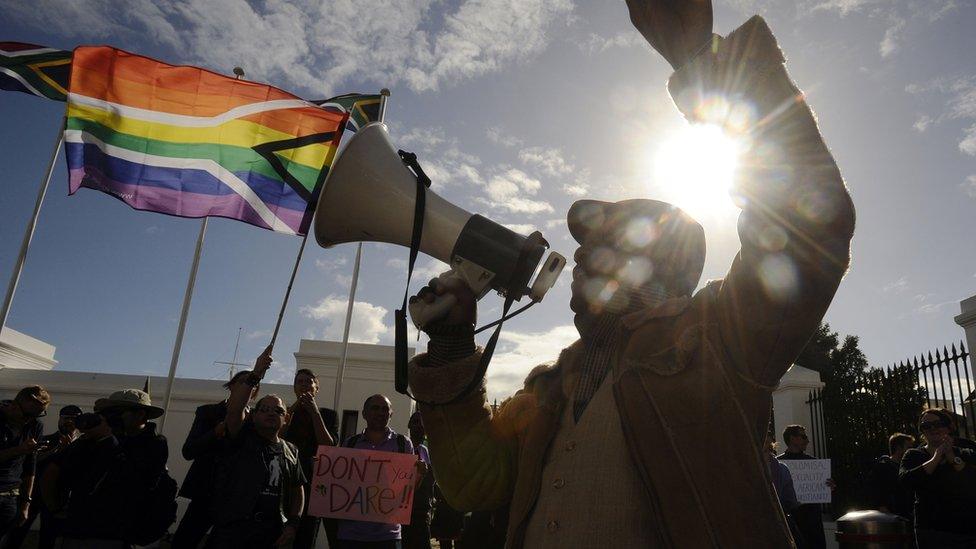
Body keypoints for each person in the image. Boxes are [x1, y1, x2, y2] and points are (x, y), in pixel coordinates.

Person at [404, 1, 856, 546]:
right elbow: (475, 485)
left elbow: (814, 225)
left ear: (662, 265)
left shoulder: (718, 342)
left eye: (607, 247)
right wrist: (453, 345)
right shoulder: (549, 387)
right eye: (586, 248)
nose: (582, 260)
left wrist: (706, 72)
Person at [208, 347, 306, 549]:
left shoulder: (291, 450)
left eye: (278, 410)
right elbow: (234, 410)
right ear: (253, 415)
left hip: (272, 534)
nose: (271, 413)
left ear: (286, 419)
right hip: (234, 533)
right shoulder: (241, 437)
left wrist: (293, 523)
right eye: (264, 409)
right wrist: (256, 374)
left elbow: (298, 490)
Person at [173, 371, 259, 549]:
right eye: (242, 382)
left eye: (251, 384)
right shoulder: (208, 412)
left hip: (236, 498)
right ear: (231, 385)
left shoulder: (256, 420)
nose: (247, 387)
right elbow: (188, 451)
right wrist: (214, 434)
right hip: (206, 493)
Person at [337, 394, 422, 549]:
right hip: (350, 535)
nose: (380, 412)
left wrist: (419, 475)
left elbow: (408, 490)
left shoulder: (403, 444)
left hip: (388, 535)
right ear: (364, 413)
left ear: (391, 414)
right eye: (375, 408)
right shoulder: (350, 444)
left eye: (385, 409)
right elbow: (338, 485)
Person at [41, 411, 128, 548]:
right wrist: (54, 507)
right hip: (80, 523)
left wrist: (54, 507)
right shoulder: (83, 444)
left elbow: (51, 472)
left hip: (96, 525)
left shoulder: (110, 446)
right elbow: (50, 472)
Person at [2, 404, 81, 549]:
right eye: (65, 418)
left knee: (48, 538)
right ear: (59, 419)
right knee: (16, 535)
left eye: (74, 419)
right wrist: (57, 451)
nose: (69, 422)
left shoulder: (82, 446)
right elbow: (29, 463)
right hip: (34, 495)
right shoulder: (46, 440)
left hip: (57, 499)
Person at [899, 408, 976, 548]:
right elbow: (907, 480)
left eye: (938, 424)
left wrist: (952, 457)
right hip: (931, 529)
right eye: (926, 426)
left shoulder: (965, 452)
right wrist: (937, 456)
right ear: (922, 431)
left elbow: (970, 482)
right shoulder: (913, 455)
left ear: (947, 427)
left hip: (967, 528)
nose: (933, 428)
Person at [281, 368, 336, 549]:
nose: (304, 384)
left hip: (313, 484)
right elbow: (277, 439)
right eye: (300, 382)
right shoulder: (285, 414)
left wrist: (314, 413)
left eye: (309, 381)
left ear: (316, 388)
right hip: (285, 483)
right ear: (295, 388)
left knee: (306, 536)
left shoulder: (328, 415)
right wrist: (291, 412)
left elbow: (328, 446)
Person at [0, 386, 50, 543]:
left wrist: (26, 503)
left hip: (10, 496)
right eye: (28, 415)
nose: (30, 420)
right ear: (14, 404)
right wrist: (18, 450)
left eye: (37, 415)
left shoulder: (34, 425)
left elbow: (30, 465)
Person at [777, 425, 834, 549]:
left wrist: (828, 486)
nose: (807, 440)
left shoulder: (815, 463)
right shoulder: (778, 464)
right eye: (803, 437)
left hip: (812, 521)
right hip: (791, 520)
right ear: (792, 439)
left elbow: (825, 488)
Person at [401, 411, 434, 549]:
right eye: (415, 422)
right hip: (402, 516)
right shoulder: (400, 447)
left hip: (422, 515)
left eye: (423, 423)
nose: (420, 426)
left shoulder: (425, 451)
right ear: (409, 425)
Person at [866, 432, 915, 520]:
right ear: (898, 448)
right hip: (892, 517)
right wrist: (885, 511)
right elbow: (876, 490)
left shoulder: (907, 468)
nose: (911, 451)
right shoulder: (883, 467)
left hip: (907, 516)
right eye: (909, 448)